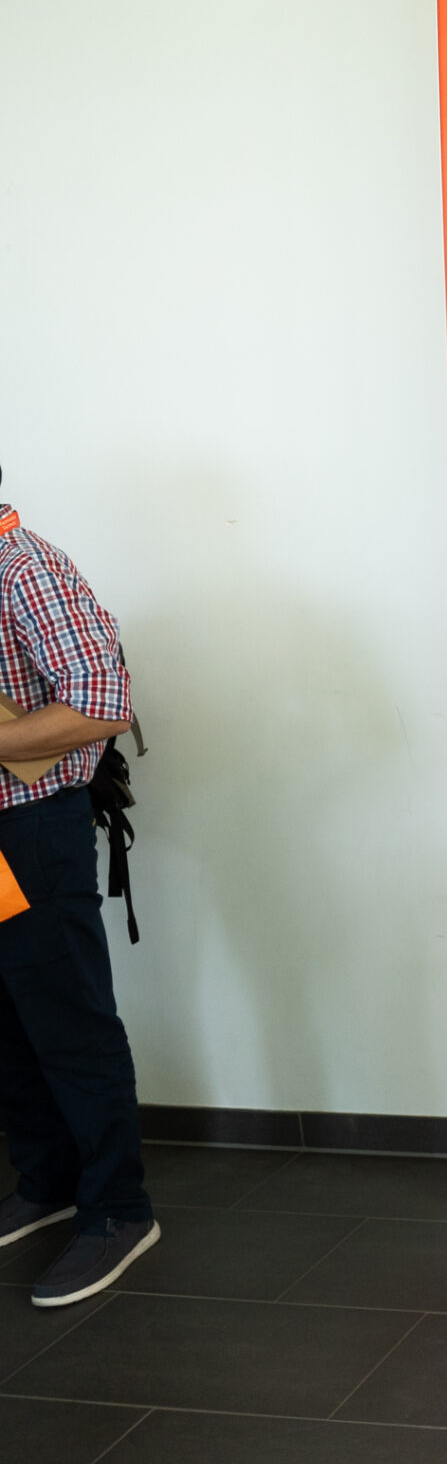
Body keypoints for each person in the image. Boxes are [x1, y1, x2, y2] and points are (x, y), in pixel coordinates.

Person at [0, 483, 153, 1309]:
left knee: (69, 1020)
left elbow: (102, 705)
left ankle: (119, 1210)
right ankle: (49, 1182)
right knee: (9, 1023)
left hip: (31, 829)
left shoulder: (24, 570)